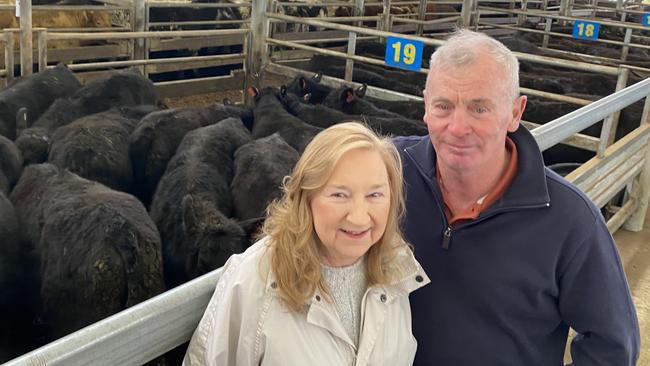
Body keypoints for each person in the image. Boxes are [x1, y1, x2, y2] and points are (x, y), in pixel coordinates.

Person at [393, 29, 640, 365]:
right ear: (425, 106)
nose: (457, 126)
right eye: (444, 106)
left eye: (479, 108)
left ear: (515, 112)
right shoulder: (386, 175)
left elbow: (613, 347)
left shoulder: (571, 220)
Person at [184, 122, 430, 366]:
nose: (358, 216)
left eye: (374, 194)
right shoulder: (256, 279)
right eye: (339, 194)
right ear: (306, 196)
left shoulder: (397, 271)